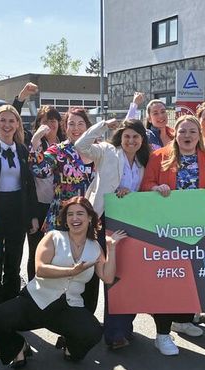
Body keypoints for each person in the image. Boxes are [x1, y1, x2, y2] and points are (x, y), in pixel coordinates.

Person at [0, 197, 125, 368]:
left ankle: (70, 348)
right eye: (70, 214)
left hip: (69, 307)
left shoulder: (95, 247)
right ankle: (18, 348)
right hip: (36, 301)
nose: (75, 218)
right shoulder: (53, 237)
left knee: (93, 332)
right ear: (65, 219)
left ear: (89, 218)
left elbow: (107, 278)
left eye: (80, 213)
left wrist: (112, 248)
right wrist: (71, 271)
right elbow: (40, 269)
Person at [141, 114, 205, 355]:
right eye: (182, 131)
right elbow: (145, 185)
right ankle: (162, 334)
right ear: (174, 134)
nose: (187, 135)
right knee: (168, 279)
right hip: (167, 229)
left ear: (199, 135)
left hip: (198, 230)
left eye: (192, 131)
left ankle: (183, 319)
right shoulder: (159, 157)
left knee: (192, 277)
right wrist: (156, 188)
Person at [74, 118, 152, 349]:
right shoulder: (107, 151)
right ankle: (94, 330)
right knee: (99, 275)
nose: (131, 141)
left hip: (130, 223)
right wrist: (102, 126)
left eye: (136, 136)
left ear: (142, 139)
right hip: (102, 220)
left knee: (125, 276)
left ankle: (121, 329)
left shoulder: (144, 161)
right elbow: (81, 146)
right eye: (127, 136)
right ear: (120, 137)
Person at [30, 107, 101, 313]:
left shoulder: (98, 150)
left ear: (87, 127)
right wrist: (36, 142)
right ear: (65, 127)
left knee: (89, 266)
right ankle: (59, 316)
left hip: (90, 217)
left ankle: (86, 315)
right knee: (62, 265)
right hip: (63, 217)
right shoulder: (59, 150)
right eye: (71, 124)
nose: (76, 128)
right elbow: (40, 170)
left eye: (80, 124)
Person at [0, 105, 38, 309]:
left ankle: (10, 307)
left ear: (18, 124)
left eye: (12, 121)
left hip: (16, 211)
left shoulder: (22, 149)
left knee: (14, 260)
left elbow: (29, 185)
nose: (7, 125)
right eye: (3, 120)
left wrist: (32, 215)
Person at [24, 104, 64, 282]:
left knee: (59, 251)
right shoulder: (33, 144)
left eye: (53, 120)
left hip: (61, 205)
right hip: (39, 205)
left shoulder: (65, 144)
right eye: (45, 121)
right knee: (36, 251)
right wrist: (36, 140)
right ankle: (33, 289)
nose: (50, 124)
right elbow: (36, 173)